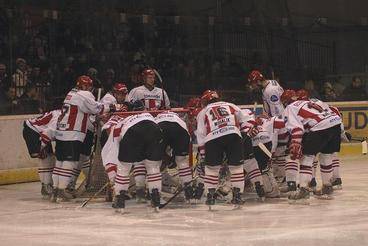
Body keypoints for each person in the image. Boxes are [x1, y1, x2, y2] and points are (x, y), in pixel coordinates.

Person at [52, 75, 119, 202]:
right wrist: (113, 107)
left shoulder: (71, 92)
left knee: (59, 161)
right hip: (73, 133)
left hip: (61, 131)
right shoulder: (84, 94)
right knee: (69, 161)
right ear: (83, 86)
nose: (88, 88)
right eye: (87, 86)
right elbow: (96, 108)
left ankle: (55, 190)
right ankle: (62, 190)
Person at [282, 90, 342, 202]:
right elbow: (331, 111)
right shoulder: (313, 100)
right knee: (326, 156)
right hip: (335, 123)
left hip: (320, 127)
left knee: (306, 157)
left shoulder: (290, 108)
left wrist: (296, 143)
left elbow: (296, 128)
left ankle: (304, 189)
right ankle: (327, 187)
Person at [196, 90, 249, 207]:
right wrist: (244, 133)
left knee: (212, 169)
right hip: (233, 134)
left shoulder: (203, 111)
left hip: (213, 138)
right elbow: (246, 120)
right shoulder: (230, 105)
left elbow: (200, 133)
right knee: (236, 168)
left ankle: (210, 196)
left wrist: (204, 154)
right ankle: (237, 196)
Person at [113, 105, 164, 213]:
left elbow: (116, 138)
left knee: (124, 168)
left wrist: (121, 158)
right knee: (153, 166)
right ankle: (155, 197)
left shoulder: (125, 119)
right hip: (154, 129)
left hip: (131, 132)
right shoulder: (148, 115)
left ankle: (120, 199)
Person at [248, 70, 287, 182]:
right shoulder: (271, 83)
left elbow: (277, 112)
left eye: (253, 83)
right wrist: (265, 114)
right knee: (277, 151)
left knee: (277, 151)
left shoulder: (270, 90)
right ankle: (280, 175)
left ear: (258, 81)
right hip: (278, 121)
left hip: (278, 123)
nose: (252, 86)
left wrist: (269, 121)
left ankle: (282, 177)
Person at [23, 109, 61, 198]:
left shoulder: (61, 113)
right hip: (33, 131)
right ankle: (46, 186)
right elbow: (48, 133)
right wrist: (41, 147)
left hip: (34, 130)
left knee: (49, 158)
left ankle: (46, 186)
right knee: (46, 159)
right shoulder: (60, 117)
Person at [155, 111, 193, 201]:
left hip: (159, 127)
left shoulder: (156, 118)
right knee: (182, 161)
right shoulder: (180, 119)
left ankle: (154, 192)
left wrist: (168, 160)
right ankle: (188, 190)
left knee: (154, 162)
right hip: (180, 129)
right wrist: (172, 160)